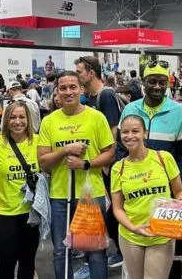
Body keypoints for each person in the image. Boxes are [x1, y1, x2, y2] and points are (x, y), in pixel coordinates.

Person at [117, 60, 182, 278]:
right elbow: (122, 148)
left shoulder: (180, 111)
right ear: (143, 83)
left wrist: (177, 193)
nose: (157, 87)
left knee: (172, 252)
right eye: (152, 82)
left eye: (162, 82)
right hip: (135, 194)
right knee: (136, 255)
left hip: (166, 193)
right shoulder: (131, 109)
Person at [37, 71, 115, 279]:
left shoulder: (96, 118)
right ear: (57, 92)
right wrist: (64, 150)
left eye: (73, 87)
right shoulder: (49, 121)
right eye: (63, 88)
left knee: (95, 251)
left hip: (91, 195)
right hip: (60, 196)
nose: (68, 92)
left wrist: (85, 164)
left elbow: (110, 153)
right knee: (62, 251)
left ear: (81, 89)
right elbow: (43, 162)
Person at [111, 115, 182, 279]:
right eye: (125, 132)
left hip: (161, 236)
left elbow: (179, 191)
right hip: (131, 236)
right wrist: (133, 228)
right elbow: (117, 208)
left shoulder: (163, 158)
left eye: (135, 131)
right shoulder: (118, 168)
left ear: (145, 133)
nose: (129, 136)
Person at [75, 56, 123, 273]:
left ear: (91, 73)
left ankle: (121, 252)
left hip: (108, 164)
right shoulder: (91, 96)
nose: (78, 76)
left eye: (80, 72)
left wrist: (108, 161)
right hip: (98, 164)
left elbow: (113, 130)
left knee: (113, 210)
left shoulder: (105, 95)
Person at [0, 102, 40, 279]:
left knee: (27, 263)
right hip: (5, 213)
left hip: (31, 213)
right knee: (6, 264)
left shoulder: (39, 142)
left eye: (22, 117)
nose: (18, 121)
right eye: (13, 117)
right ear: (6, 120)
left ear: (28, 119)